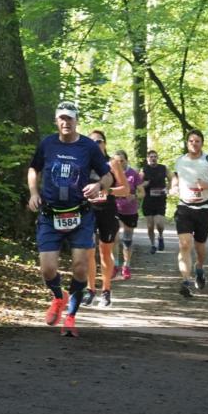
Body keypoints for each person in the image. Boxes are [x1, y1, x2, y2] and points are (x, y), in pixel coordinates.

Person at [28, 102, 114, 337]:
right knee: (47, 270)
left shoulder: (88, 146)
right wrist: (34, 193)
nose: (66, 122)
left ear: (77, 121)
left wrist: (98, 185)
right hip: (50, 214)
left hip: (81, 214)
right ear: (56, 121)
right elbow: (33, 169)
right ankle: (59, 297)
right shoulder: (47, 143)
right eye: (61, 119)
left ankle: (71, 317)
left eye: (70, 119)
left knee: (79, 267)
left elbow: (108, 175)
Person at [170, 129, 208, 297]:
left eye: (197, 141)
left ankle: (199, 267)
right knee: (185, 244)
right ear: (187, 143)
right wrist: (174, 185)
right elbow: (176, 175)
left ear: (202, 143)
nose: (194, 144)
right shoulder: (180, 160)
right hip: (184, 207)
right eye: (191, 141)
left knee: (199, 245)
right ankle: (186, 282)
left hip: (203, 209)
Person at [84, 131, 129, 307]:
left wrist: (107, 191)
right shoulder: (83, 162)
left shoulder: (112, 164)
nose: (96, 144)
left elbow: (125, 190)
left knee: (104, 251)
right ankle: (90, 290)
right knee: (88, 251)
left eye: (99, 141)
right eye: (92, 141)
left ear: (105, 144)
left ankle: (106, 290)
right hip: (87, 211)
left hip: (107, 211)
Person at [114, 149, 144, 280]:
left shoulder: (133, 174)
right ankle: (114, 265)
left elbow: (142, 192)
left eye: (122, 161)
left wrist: (134, 196)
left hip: (130, 210)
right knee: (114, 238)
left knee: (127, 240)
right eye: (117, 161)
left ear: (126, 160)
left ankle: (126, 266)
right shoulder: (111, 172)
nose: (119, 164)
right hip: (114, 209)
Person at [141, 150, 170, 253]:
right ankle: (153, 245)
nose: (153, 158)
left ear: (157, 158)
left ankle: (161, 236)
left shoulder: (163, 168)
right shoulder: (144, 169)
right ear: (148, 158)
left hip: (160, 200)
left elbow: (171, 179)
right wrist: (145, 183)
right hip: (148, 200)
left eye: (155, 156)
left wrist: (168, 188)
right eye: (151, 157)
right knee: (150, 226)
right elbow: (139, 183)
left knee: (159, 224)